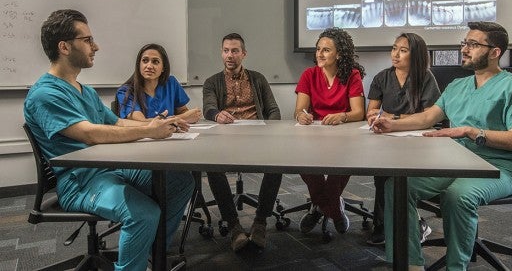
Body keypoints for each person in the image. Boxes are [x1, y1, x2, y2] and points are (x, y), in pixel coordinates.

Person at [23, 9, 195, 271]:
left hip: (109, 168)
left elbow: (115, 122)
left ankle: (149, 251)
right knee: (144, 213)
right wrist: (149, 131)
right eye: (88, 40)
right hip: (81, 181)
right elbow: (90, 133)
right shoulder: (45, 94)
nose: (96, 46)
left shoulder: (84, 90)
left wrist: (157, 123)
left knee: (181, 181)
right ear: (64, 47)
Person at [372, 21, 512, 270]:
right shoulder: (457, 86)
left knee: (457, 196)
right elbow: (427, 118)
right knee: (398, 186)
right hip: (454, 163)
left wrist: (471, 132)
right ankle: (411, 263)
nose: (464, 49)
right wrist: (391, 124)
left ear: (495, 52)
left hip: (495, 168)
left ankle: (456, 266)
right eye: (464, 43)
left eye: (473, 44)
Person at [202, 32, 282, 251]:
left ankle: (260, 222)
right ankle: (234, 226)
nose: (230, 55)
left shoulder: (258, 79)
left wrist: (269, 129)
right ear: (221, 53)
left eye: (235, 51)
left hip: (257, 137)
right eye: (226, 50)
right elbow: (208, 108)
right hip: (225, 139)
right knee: (212, 169)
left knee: (277, 166)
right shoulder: (211, 82)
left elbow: (273, 109)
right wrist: (217, 115)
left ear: (243, 54)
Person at [366, 33, 441, 245]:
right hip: (387, 138)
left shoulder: (426, 78)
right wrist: (374, 116)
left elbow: (429, 116)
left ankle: (413, 221)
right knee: (381, 174)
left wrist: (394, 118)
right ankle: (381, 224)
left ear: (415, 55)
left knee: (400, 177)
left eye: (403, 50)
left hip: (418, 141)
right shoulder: (383, 77)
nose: (395, 55)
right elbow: (371, 110)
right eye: (394, 48)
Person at [295, 27, 366, 234]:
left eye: (326, 50)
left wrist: (342, 116)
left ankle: (319, 207)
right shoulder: (309, 74)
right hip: (314, 135)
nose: (319, 54)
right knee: (302, 161)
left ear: (339, 54)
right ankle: (334, 208)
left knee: (342, 165)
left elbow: (358, 112)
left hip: (344, 136)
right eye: (318, 49)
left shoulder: (352, 75)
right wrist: (302, 116)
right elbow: (299, 110)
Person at [116, 43, 201, 122]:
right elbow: (142, 122)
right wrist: (182, 118)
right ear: (139, 65)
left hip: (171, 136)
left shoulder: (171, 83)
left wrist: (189, 116)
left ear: (163, 68)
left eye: (155, 62)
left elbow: (183, 111)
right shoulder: (125, 92)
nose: (149, 66)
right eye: (145, 61)